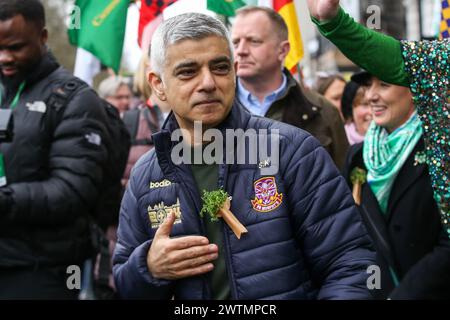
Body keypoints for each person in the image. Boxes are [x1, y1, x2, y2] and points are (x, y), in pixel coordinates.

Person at [113, 12, 376, 300]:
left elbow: (350, 265)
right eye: (188, 71)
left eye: (220, 67)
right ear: (158, 84)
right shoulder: (144, 176)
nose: (208, 83)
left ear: (235, 70)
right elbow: (124, 284)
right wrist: (148, 267)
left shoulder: (294, 152)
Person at [307, 0, 450, 299]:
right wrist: (333, 21)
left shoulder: (437, 141)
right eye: (366, 87)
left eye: (384, 84)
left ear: (418, 90)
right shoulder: (360, 156)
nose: (371, 96)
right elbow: (348, 236)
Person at [0, 0, 110, 299]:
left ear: (44, 37)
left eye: (15, 47)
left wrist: (6, 201)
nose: (4, 58)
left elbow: (74, 190)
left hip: (43, 269)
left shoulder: (76, 99)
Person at [231, 6, 349, 170]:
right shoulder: (214, 107)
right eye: (236, 42)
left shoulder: (322, 111)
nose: (241, 51)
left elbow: (341, 182)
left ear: (283, 50)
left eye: (254, 41)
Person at [341, 76, 371, 145]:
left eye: (375, 103)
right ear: (350, 109)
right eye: (365, 104)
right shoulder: (339, 141)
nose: (371, 111)